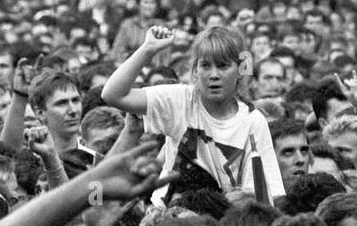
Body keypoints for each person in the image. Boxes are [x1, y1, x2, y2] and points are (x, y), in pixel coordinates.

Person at [102, 26, 284, 203]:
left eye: (223, 66)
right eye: (205, 65)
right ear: (195, 70)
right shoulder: (180, 100)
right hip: (166, 218)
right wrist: (148, 49)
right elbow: (113, 95)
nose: (214, 75)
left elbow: (266, 195)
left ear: (240, 70)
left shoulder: (253, 121)